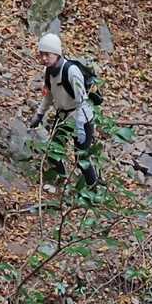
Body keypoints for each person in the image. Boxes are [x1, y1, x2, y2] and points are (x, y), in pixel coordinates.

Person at [31, 32, 99, 188]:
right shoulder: (48, 72)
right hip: (63, 117)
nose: (44, 58)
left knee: (81, 159)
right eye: (41, 55)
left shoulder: (71, 71)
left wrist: (80, 126)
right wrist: (39, 114)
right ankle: (61, 181)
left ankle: (93, 190)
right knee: (52, 151)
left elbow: (81, 100)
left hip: (82, 118)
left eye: (47, 54)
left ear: (56, 53)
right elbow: (48, 95)